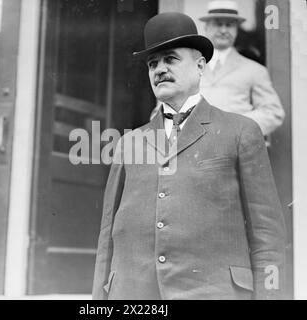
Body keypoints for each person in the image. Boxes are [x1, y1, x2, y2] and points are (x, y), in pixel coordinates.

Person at [92, 12, 286, 300]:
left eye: (170, 59)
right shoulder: (129, 143)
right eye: (152, 63)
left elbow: (267, 234)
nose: (159, 69)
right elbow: (108, 233)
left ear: (199, 67)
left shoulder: (241, 132)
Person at [199, 0, 284, 136]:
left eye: (229, 25)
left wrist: (236, 128)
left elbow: (273, 112)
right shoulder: (190, 67)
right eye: (217, 24)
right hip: (195, 150)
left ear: (237, 29)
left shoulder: (254, 70)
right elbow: (164, 108)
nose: (223, 30)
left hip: (235, 151)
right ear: (206, 27)